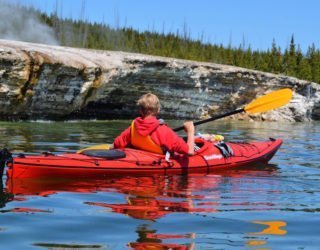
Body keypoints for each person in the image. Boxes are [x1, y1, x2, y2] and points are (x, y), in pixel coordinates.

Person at [113, 93, 195, 155]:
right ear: (158, 110)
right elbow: (189, 152)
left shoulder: (133, 127)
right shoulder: (163, 130)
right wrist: (190, 131)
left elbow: (116, 144)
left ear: (140, 111)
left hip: (142, 158)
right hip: (156, 164)